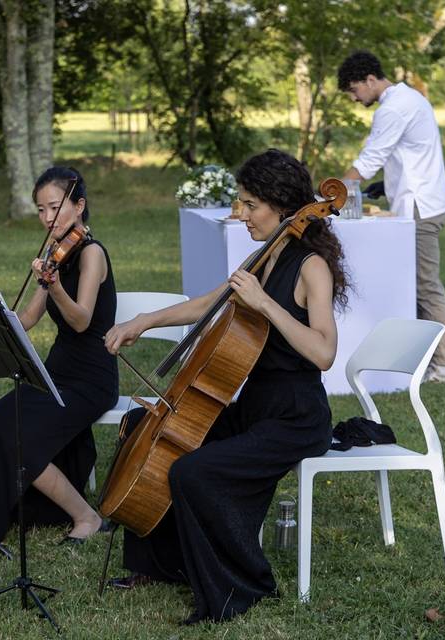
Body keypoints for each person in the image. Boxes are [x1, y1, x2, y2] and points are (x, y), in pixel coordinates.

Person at [102, 149, 347, 624]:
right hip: (254, 407)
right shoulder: (266, 254)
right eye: (241, 203)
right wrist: (144, 321)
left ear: (282, 205)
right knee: (143, 424)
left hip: (295, 417)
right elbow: (212, 302)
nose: (241, 214)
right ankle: (160, 565)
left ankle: (241, 586)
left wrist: (265, 305)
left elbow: (324, 352)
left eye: (250, 204)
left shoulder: (310, 266)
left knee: (194, 472)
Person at [0, 167, 118, 547]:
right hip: (56, 370)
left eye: (54, 208)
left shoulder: (92, 255)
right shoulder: (55, 254)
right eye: (40, 210)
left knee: (19, 434)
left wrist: (54, 286)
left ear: (79, 206)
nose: (46, 219)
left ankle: (87, 517)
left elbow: (80, 320)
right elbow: (27, 318)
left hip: (92, 378)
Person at [338, 50, 445, 383]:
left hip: (420, 207)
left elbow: (368, 159)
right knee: (416, 285)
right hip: (423, 200)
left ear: (370, 80)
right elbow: (406, 154)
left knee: (425, 288)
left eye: (353, 90)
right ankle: (420, 357)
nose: (353, 97)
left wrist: (329, 195)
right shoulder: (408, 98)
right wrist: (384, 185)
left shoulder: (392, 108)